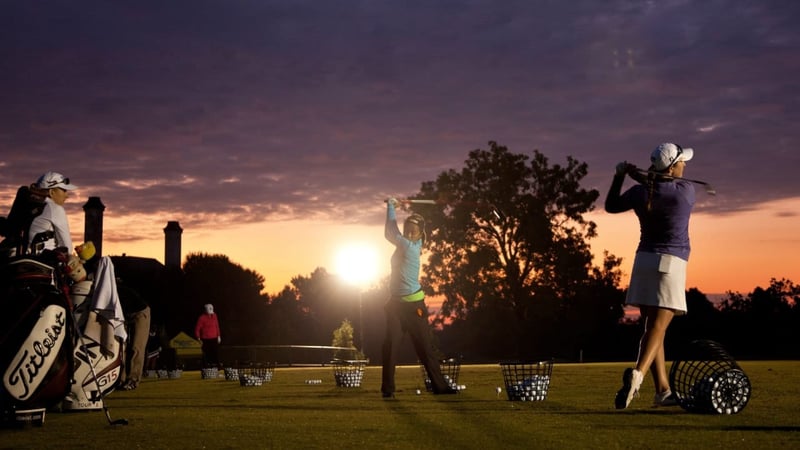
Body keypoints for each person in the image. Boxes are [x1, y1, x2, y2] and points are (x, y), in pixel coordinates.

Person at [605, 142, 697, 409]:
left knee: (652, 329)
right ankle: (638, 375)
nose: (685, 165)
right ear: (672, 166)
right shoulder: (686, 192)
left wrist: (621, 175)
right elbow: (664, 184)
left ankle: (663, 392)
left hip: (643, 261)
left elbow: (611, 205)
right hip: (671, 263)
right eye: (682, 161)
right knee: (658, 327)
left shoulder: (639, 192)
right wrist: (639, 176)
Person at [381, 198, 457, 398]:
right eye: (408, 227)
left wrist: (391, 206)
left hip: (414, 307)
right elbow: (394, 233)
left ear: (420, 233)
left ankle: (440, 387)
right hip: (395, 306)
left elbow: (390, 232)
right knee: (390, 346)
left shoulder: (410, 247)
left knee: (425, 348)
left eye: (414, 229)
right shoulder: (404, 245)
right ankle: (387, 390)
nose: (409, 231)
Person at [28, 171, 77, 252]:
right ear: (52, 192)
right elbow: (67, 248)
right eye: (64, 190)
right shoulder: (54, 208)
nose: (67, 195)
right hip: (42, 260)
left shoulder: (29, 203)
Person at [117, 280, 151, 391]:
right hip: (124, 315)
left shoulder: (119, 292)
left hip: (140, 313)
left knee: (136, 347)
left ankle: (133, 379)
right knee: (121, 347)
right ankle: (119, 380)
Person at [195, 303, 222, 368]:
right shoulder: (201, 318)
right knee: (206, 354)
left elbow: (217, 326)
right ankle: (206, 367)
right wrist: (198, 339)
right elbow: (197, 329)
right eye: (209, 311)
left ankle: (218, 366)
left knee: (215, 353)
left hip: (214, 338)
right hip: (205, 339)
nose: (210, 313)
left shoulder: (215, 315)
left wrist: (219, 336)